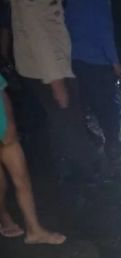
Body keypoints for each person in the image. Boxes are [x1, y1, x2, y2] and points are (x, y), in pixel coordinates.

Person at [10, 0, 99, 181]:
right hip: (48, 68)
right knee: (69, 119)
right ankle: (85, 175)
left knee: (60, 119)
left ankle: (69, 172)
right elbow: (36, 31)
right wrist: (55, 80)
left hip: (46, 65)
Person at [65, 0, 121, 160]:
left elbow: (66, 26)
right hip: (97, 61)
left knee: (85, 103)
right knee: (108, 105)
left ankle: (89, 141)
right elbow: (105, 32)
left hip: (76, 60)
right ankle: (113, 146)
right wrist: (115, 63)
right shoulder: (100, 3)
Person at [0, 74, 65, 245]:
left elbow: (2, 93)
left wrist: (10, 125)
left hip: (5, 132)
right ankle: (3, 215)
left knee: (22, 178)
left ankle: (34, 230)